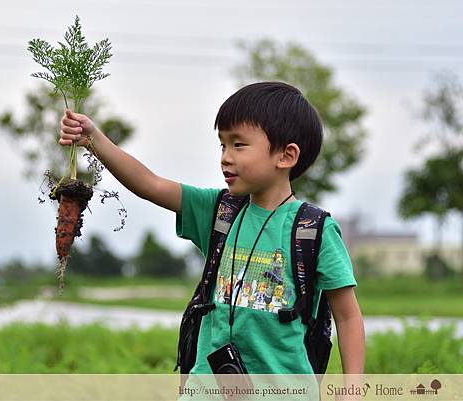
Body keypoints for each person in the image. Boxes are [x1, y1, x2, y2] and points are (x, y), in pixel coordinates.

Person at [59, 81, 365, 375]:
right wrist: (93, 139)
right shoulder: (221, 211)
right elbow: (150, 185)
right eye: (223, 145)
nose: (225, 158)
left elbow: (348, 316)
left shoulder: (314, 231)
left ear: (286, 155)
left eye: (239, 145)